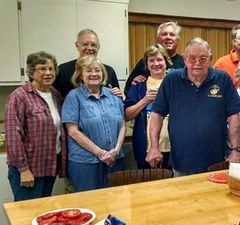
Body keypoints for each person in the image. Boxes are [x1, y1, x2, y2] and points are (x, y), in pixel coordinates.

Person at [145, 37, 240, 176]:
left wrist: (236, 150)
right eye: (192, 58)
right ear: (185, 59)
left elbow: (234, 116)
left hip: (217, 161)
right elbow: (157, 114)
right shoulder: (171, 80)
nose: (197, 63)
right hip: (181, 161)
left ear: (210, 59)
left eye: (203, 59)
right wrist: (154, 147)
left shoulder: (223, 79)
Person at [5, 51, 67, 201]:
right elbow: (13, 136)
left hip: (49, 166)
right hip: (29, 169)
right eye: (42, 69)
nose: (48, 73)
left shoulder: (55, 95)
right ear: (31, 72)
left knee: (43, 214)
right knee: (26, 215)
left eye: (51, 69)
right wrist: (24, 170)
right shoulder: (19, 96)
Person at [61, 55, 126, 192]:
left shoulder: (114, 95)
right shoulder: (74, 97)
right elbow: (73, 131)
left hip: (115, 160)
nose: (94, 74)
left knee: (115, 202)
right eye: (89, 70)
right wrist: (100, 153)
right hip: (86, 163)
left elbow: (122, 124)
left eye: (97, 70)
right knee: (89, 205)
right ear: (80, 74)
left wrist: (116, 150)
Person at [124, 44, 172, 169]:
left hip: (174, 148)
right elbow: (126, 115)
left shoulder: (176, 84)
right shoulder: (138, 86)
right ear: (147, 64)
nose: (156, 63)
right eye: (151, 60)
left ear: (166, 62)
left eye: (159, 59)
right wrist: (145, 101)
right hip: (147, 149)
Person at [53, 29, 121, 98]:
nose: (89, 48)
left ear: (98, 47)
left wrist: (118, 96)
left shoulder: (109, 71)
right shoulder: (62, 70)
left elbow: (117, 98)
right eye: (85, 44)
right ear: (77, 45)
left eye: (93, 45)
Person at [124, 22, 185, 95]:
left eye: (172, 35)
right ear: (158, 39)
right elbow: (127, 90)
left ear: (177, 39)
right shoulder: (144, 62)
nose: (168, 37)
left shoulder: (184, 64)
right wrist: (134, 84)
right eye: (164, 34)